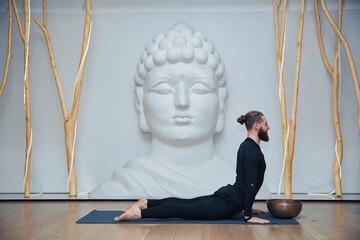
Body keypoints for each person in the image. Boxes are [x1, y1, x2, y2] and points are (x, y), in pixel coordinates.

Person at [90, 22, 235, 199]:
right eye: (164, 88)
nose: (182, 102)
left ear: (221, 103)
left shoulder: (239, 183)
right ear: (140, 101)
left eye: (199, 88)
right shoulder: (120, 188)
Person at [114, 111, 271, 224]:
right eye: (266, 124)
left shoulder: (247, 146)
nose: (268, 127)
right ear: (256, 126)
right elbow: (250, 184)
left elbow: (245, 182)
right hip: (227, 204)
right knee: (182, 209)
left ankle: (146, 203)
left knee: (185, 204)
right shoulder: (252, 151)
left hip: (230, 197)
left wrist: (247, 206)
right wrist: (248, 215)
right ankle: (140, 213)